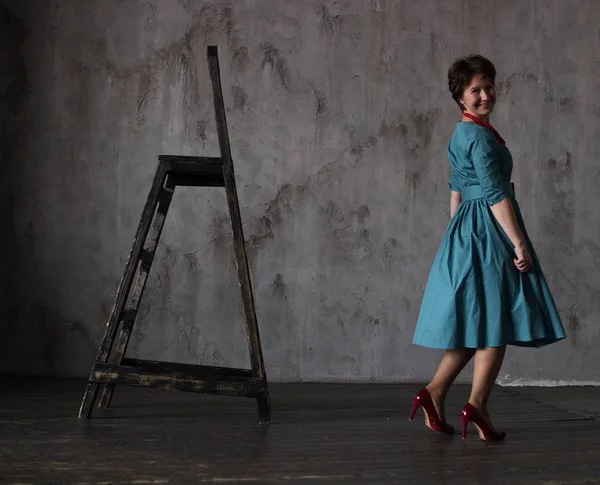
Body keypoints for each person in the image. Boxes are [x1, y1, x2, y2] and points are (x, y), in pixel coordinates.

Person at [409, 55, 566, 441]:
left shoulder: (462, 133)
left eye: (489, 86)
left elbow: (455, 188)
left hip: (467, 228)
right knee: (495, 321)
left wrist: (456, 232)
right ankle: (476, 405)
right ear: (460, 97)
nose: (485, 95)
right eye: (475, 90)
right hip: (488, 228)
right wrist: (518, 242)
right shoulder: (478, 136)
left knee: (480, 321)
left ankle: (435, 392)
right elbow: (495, 194)